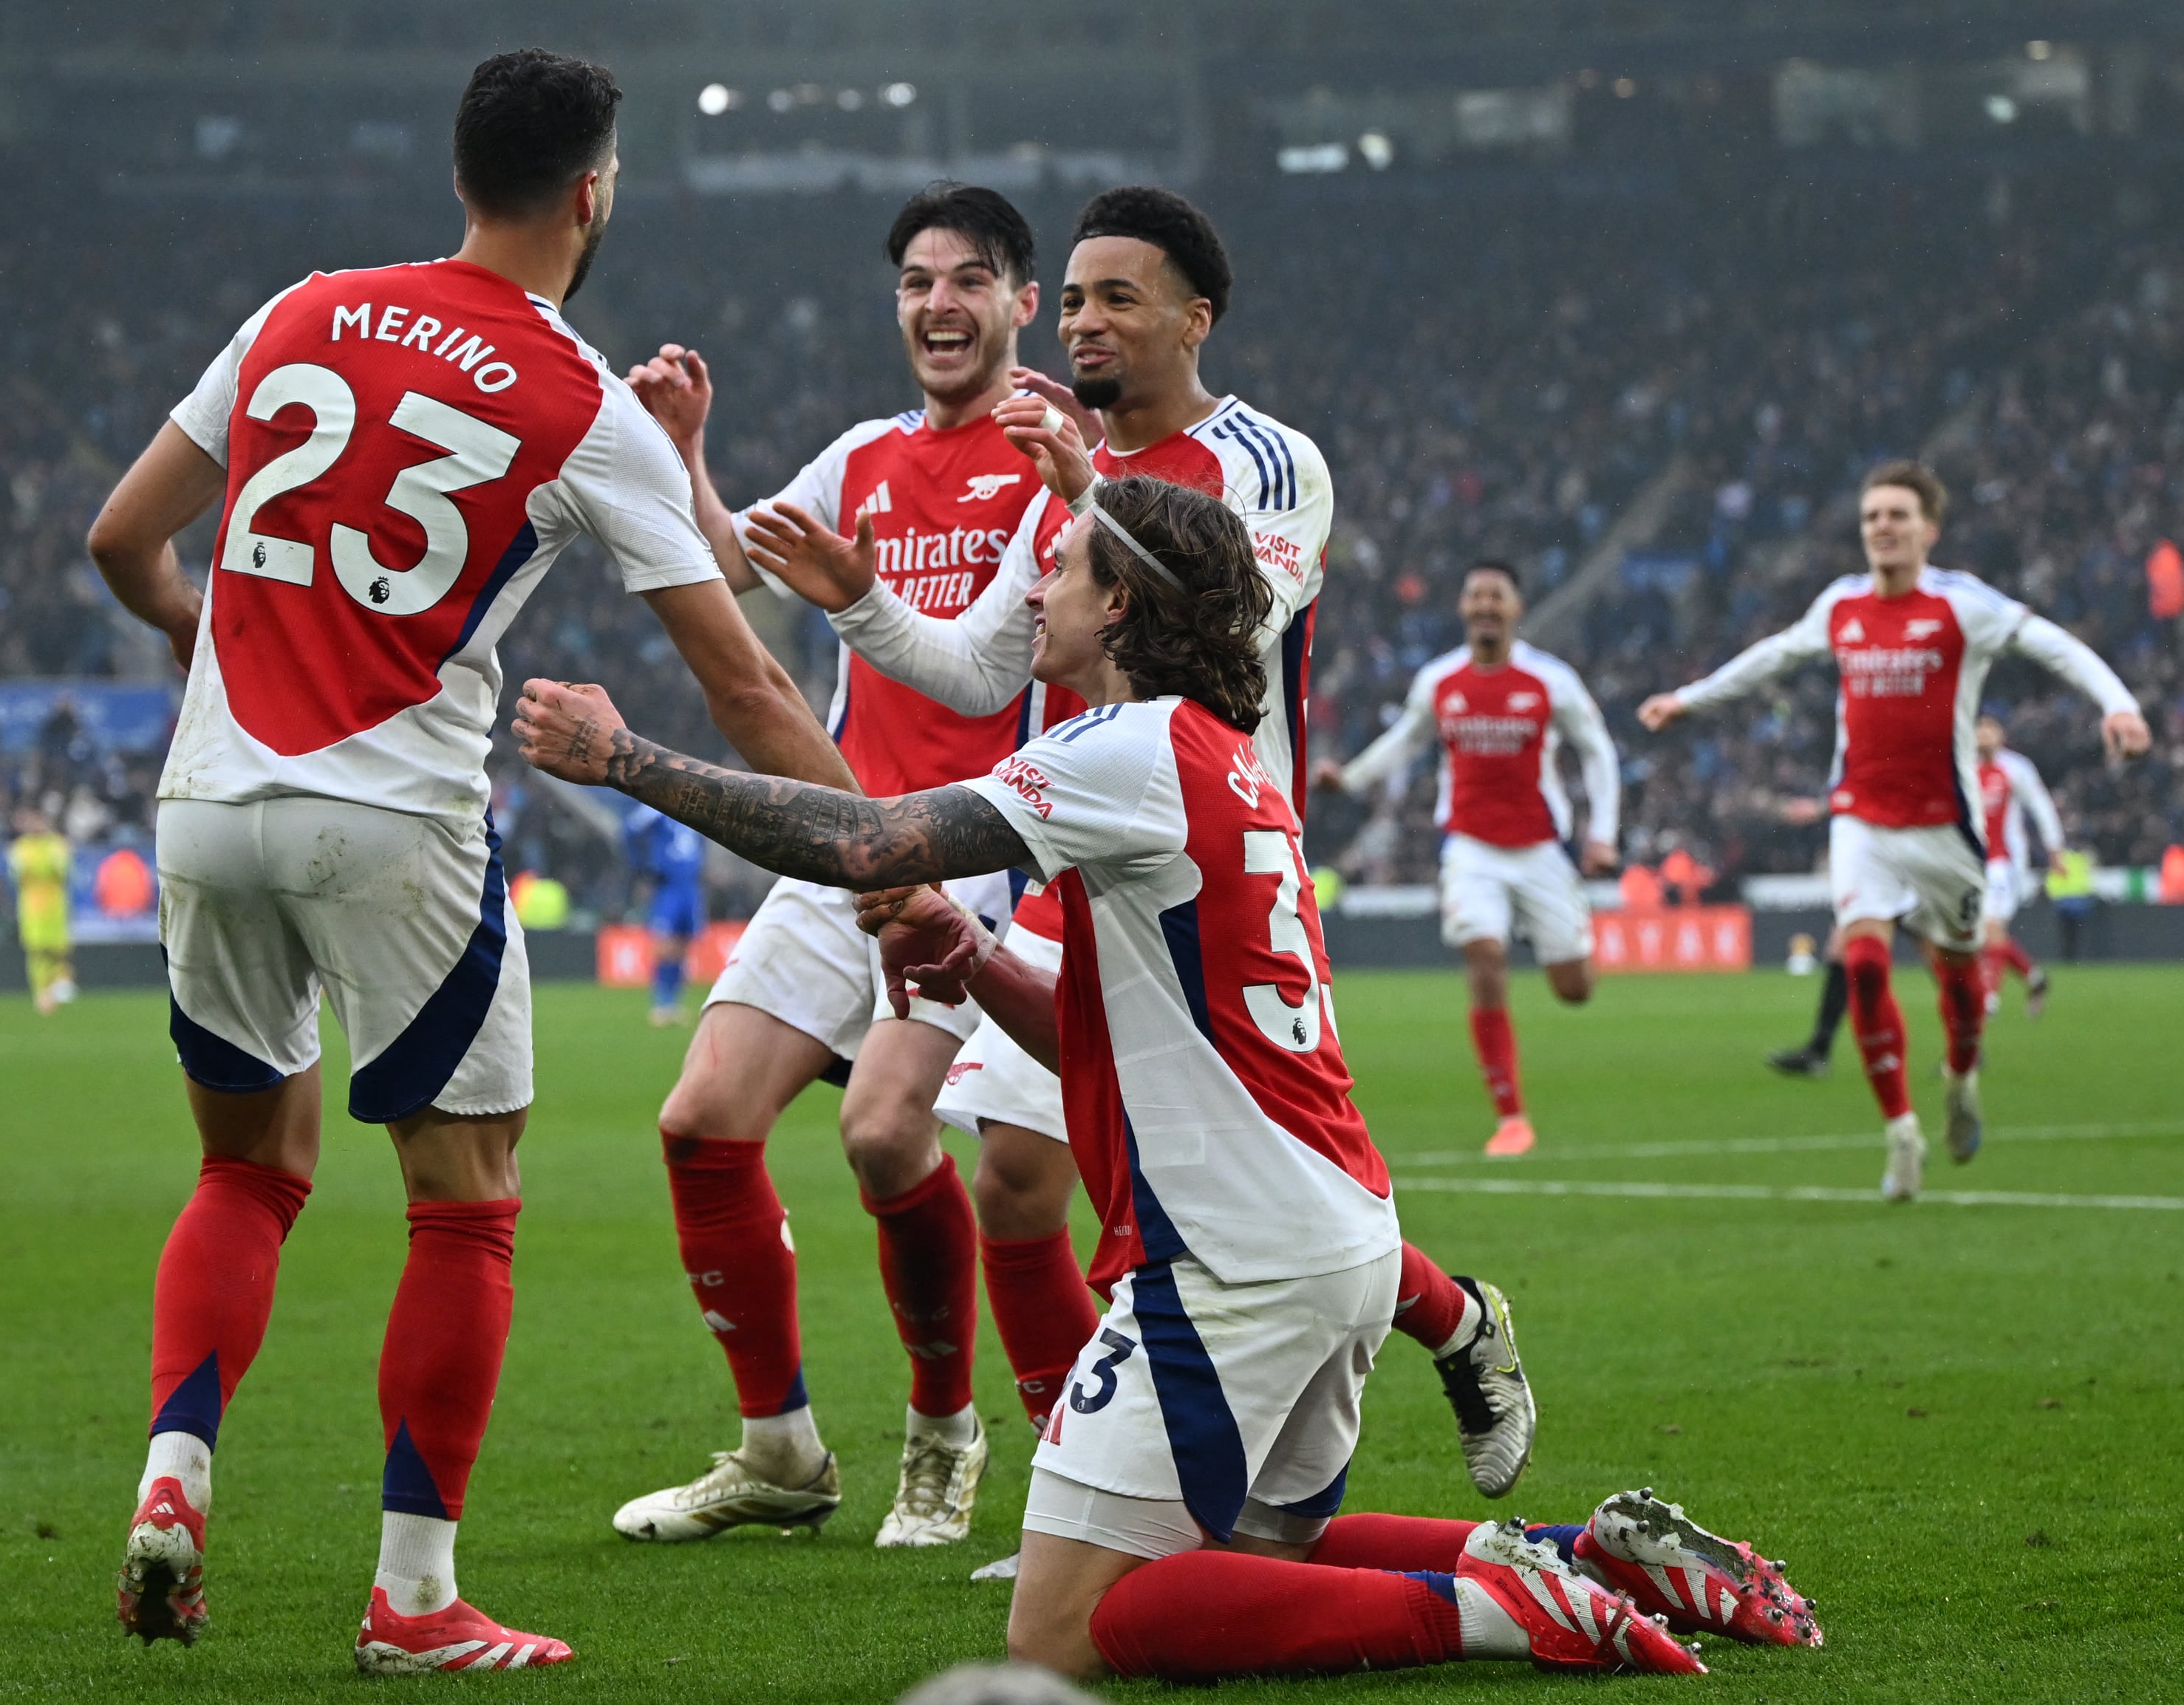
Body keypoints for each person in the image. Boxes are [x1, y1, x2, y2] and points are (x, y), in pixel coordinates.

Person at [513, 476, 1820, 1682]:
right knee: (1264, 1560)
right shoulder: (1219, 760)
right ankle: (1591, 1552)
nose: (1035, 591)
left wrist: (624, 758)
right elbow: (1097, 1033)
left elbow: (863, 838)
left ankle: (1502, 1612)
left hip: (1234, 1265)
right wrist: (965, 950)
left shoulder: (1125, 751)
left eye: (1061, 570)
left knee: (1070, 1625)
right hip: (1333, 1237)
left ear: (1120, 602)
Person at [83, 48, 852, 1672]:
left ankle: (172, 1481)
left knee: (244, 1170)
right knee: (464, 1199)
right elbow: (746, 682)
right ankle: (416, 1598)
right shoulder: (580, 394)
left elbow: (117, 536)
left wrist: (194, 638)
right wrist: (895, 861)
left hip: (209, 798)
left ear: (459, 173)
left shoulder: (299, 310)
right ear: (593, 195)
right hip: (396, 815)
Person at [749, 185, 1536, 1531]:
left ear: (1194, 317)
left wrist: (1084, 493)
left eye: (1117, 296)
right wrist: (861, 601)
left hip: (1214, 863)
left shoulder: (1263, 458)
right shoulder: (1066, 474)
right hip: (1081, 845)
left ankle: (1456, 1318)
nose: (1084, 321)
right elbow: (975, 664)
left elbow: (1230, 600)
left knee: (1213, 1177)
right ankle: (1086, 1483)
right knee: (1021, 1176)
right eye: (1070, 299)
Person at [605, 183, 1076, 1553]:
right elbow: (734, 580)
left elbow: (1000, 660)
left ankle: (943, 1433)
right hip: (842, 830)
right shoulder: (862, 454)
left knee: (881, 1134)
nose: (939, 304)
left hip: (980, 851)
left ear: (1019, 303)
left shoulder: (1050, 451)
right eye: (918, 281)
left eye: (970, 279)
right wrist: (691, 455)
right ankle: (780, 1451)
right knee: (699, 1121)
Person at [1639, 459, 2149, 1203]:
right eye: (1873, 515)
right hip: (1862, 821)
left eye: (1898, 515)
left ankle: (1963, 1077)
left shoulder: (1961, 606)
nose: (1882, 525)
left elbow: (2056, 646)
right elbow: (1774, 655)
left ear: (1928, 530)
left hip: (1946, 831)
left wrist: (2120, 704)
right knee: (1866, 962)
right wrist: (1688, 699)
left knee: (1960, 982)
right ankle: (1902, 1132)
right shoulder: (1841, 605)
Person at [1312, 560, 1620, 1158]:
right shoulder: (1440, 680)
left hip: (1540, 850)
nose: (1484, 605)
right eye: (1475, 595)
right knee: (1483, 953)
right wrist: (1348, 780)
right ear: (1462, 608)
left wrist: (1602, 834)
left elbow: (1597, 751)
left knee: (1575, 988)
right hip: (1471, 848)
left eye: (1495, 596)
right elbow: (1406, 739)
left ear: (1515, 609)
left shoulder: (1549, 681)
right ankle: (1511, 1118)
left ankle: (1551, 931)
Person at [1973, 715, 2063, 1017]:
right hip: (1971, 862)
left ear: (2002, 735)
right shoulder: (1962, 766)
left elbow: (2041, 805)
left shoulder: (2016, 768)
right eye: (1979, 730)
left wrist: (2054, 848)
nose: (1984, 734)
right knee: (1985, 933)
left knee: (1991, 928)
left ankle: (1989, 999)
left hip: (2005, 862)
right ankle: (2035, 979)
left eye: (1990, 728)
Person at [618, 799, 703, 1027]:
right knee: (664, 945)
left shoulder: (697, 811)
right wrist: (641, 868)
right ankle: (661, 1004)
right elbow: (629, 830)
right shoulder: (659, 808)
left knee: (683, 946)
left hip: (691, 887)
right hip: (668, 888)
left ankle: (673, 1005)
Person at [6, 807, 76, 1014]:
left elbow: (63, 870)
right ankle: (41, 992)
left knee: (58, 948)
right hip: (32, 907)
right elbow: (17, 874)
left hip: (55, 905)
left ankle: (60, 985)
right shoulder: (21, 847)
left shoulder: (57, 844)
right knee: (37, 950)